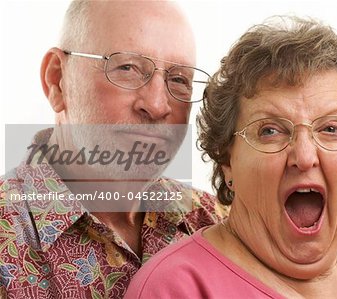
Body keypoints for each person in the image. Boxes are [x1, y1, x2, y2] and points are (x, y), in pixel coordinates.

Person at [124, 16, 337, 298]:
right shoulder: (177, 288)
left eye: (331, 129)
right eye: (270, 131)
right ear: (227, 161)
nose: (304, 157)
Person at [0, 1, 227, 298]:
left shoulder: (217, 221)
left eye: (178, 79)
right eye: (128, 68)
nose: (158, 106)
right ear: (57, 80)